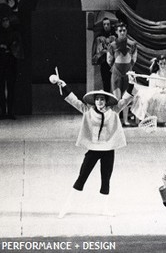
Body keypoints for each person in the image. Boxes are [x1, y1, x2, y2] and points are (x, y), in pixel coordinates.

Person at [54, 77, 135, 218]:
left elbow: (125, 100)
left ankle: (104, 209)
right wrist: (64, 85)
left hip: (108, 150)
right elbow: (74, 100)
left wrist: (132, 82)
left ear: (106, 101)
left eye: (102, 99)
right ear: (94, 101)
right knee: (82, 178)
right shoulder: (87, 111)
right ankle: (66, 206)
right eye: (97, 99)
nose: (99, 102)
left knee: (106, 180)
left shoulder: (114, 111)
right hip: (93, 150)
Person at [0, 15, 24, 120]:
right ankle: (3, 112)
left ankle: (10, 112)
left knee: (11, 88)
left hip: (11, 63)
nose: (5, 23)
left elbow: (18, 48)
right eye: (3, 21)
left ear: (9, 22)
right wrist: (0, 47)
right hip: (1, 63)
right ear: (1, 22)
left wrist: (8, 48)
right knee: (0, 88)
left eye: (7, 20)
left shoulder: (15, 34)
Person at [107, 21, 137, 126]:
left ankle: (125, 120)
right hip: (117, 73)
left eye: (124, 30)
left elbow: (134, 58)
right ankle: (116, 120)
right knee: (117, 98)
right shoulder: (112, 45)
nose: (122, 32)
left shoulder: (132, 44)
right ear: (116, 32)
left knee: (126, 97)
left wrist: (128, 67)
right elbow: (109, 60)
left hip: (128, 72)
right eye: (120, 31)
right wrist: (116, 68)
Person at [92, 17, 116, 92]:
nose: (106, 26)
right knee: (106, 82)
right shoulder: (99, 37)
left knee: (116, 82)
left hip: (115, 62)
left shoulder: (115, 36)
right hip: (104, 62)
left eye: (108, 24)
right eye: (104, 24)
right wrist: (103, 51)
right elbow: (96, 52)